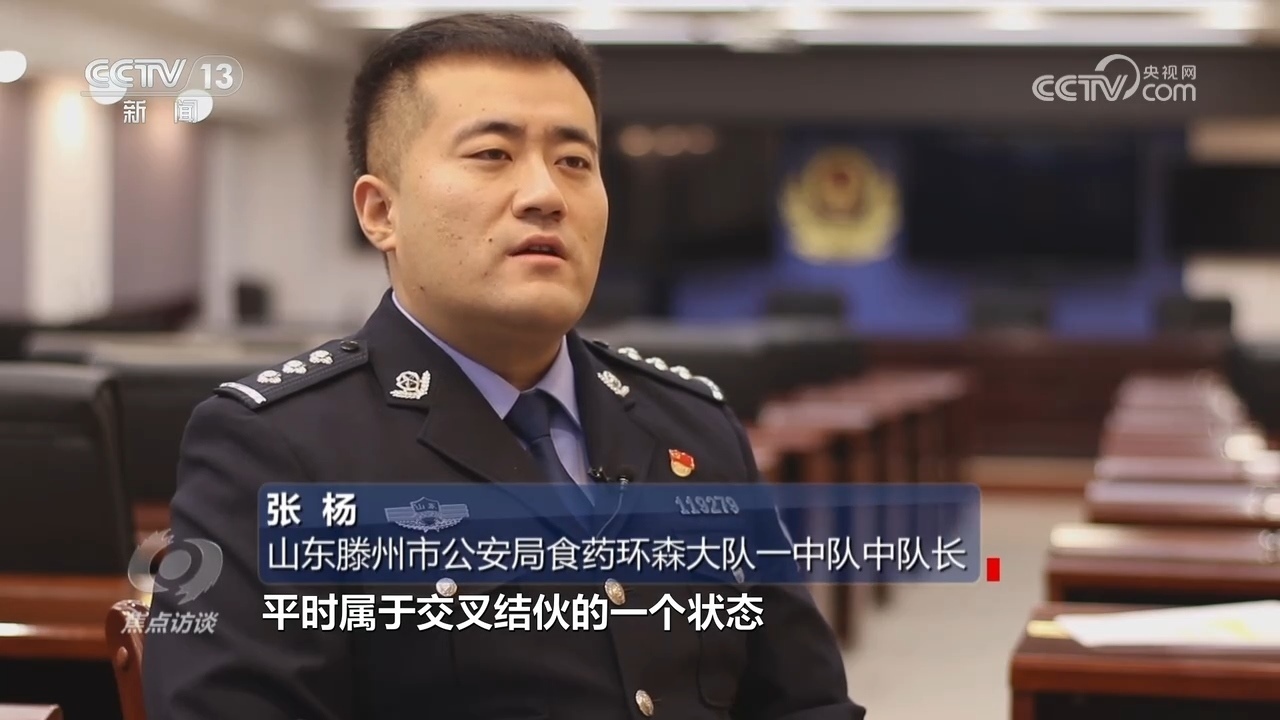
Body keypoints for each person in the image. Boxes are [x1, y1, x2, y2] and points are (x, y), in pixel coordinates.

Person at [142, 13, 863, 720]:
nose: (546, 195)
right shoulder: (279, 449)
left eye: (575, 161)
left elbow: (807, 703)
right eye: (492, 154)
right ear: (380, 211)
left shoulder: (694, 431)